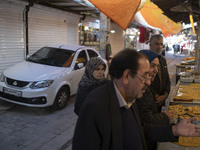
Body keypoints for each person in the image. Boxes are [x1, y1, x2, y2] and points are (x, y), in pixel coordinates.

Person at [72, 48, 200, 150]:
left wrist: (173, 130)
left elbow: (140, 130)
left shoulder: (128, 97)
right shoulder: (95, 107)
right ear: (127, 76)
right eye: (144, 76)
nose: (149, 82)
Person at [136, 50, 174, 150]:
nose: (156, 70)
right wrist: (165, 116)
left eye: (157, 66)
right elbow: (146, 122)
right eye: (152, 65)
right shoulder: (141, 91)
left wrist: (175, 131)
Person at [149, 34, 171, 112]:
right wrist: (156, 96)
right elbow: (144, 80)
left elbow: (167, 80)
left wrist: (165, 95)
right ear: (150, 45)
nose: (159, 47)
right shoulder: (146, 60)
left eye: (161, 44)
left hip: (161, 100)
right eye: (157, 44)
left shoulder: (162, 60)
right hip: (150, 100)